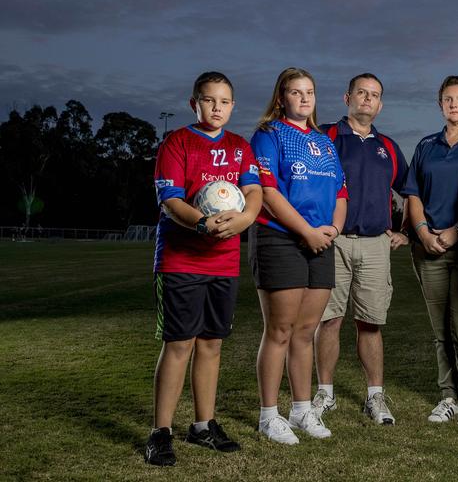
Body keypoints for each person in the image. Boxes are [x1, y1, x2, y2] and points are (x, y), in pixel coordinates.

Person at [145, 71, 262, 466]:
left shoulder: (239, 146)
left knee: (212, 343)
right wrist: (200, 223)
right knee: (180, 344)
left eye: (225, 101)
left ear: (233, 106)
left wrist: (245, 221)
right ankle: (160, 432)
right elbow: (170, 199)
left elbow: (253, 191)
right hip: (181, 259)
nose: (217, 108)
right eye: (209, 100)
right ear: (194, 103)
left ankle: (203, 425)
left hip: (224, 262)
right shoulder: (176, 142)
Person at [249, 67, 348, 444]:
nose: (304, 99)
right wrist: (305, 231)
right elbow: (269, 194)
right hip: (280, 239)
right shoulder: (268, 135)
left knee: (306, 332)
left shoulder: (324, 142)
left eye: (309, 92)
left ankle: (302, 409)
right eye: (296, 92)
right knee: (280, 330)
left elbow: (341, 193)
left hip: (322, 241)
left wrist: (332, 231)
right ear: (281, 98)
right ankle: (268, 416)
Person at [313, 73, 409, 426]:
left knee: (370, 323)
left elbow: (409, 190)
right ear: (347, 97)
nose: (367, 99)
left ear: (380, 104)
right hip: (333, 241)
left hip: (374, 244)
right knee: (329, 320)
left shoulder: (389, 147)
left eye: (374, 95)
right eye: (361, 93)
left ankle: (375, 396)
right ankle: (325, 392)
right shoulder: (327, 137)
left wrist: (406, 231)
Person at [402, 75, 458, 427]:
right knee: (440, 329)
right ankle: (448, 397)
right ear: (440, 104)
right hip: (429, 249)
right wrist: (423, 233)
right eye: (447, 99)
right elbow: (412, 194)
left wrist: (457, 232)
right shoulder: (426, 145)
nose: (453, 104)